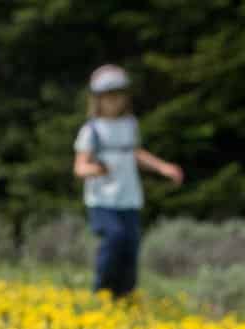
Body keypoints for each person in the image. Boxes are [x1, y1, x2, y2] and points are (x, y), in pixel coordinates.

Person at [72, 65, 184, 298]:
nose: (115, 101)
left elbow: (136, 154)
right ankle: (102, 292)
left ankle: (126, 296)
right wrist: (96, 169)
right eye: (109, 96)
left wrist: (163, 167)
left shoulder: (129, 124)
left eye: (119, 95)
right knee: (114, 238)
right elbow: (80, 167)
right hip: (102, 200)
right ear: (98, 99)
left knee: (130, 246)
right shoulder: (91, 130)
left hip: (129, 198)